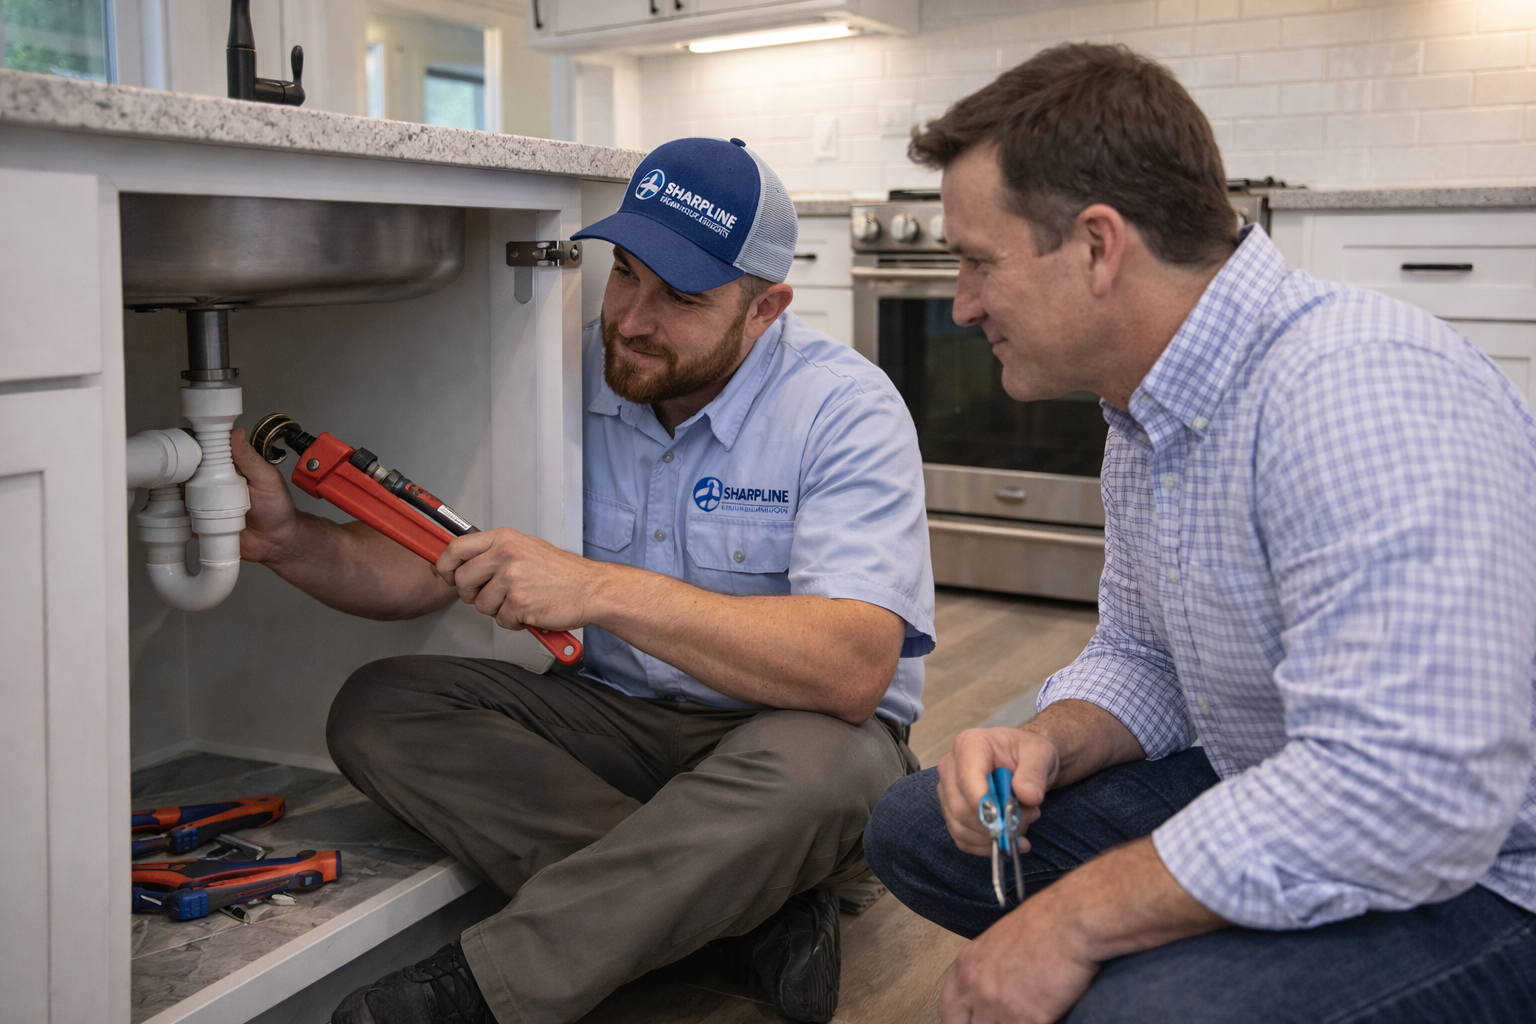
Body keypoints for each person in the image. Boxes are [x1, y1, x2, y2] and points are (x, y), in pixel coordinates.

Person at [863, 43, 1536, 1024]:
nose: (962, 304)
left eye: (977, 261)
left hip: (1483, 872)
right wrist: (1043, 737)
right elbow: (1148, 655)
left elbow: (1412, 792)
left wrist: (1079, 920)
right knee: (924, 828)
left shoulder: (1355, 389)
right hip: (1294, 782)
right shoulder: (1145, 409)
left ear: (1098, 246)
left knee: (1125, 1003)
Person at [229, 137, 934, 1024]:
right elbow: (428, 568)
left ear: (766, 310)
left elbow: (851, 670)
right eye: (626, 273)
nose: (633, 318)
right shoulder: (564, 382)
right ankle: (749, 906)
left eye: (680, 297)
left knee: (831, 772)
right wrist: (292, 542)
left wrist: (597, 588)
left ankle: (478, 994)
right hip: (613, 726)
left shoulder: (844, 409)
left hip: (787, 736)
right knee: (381, 706)